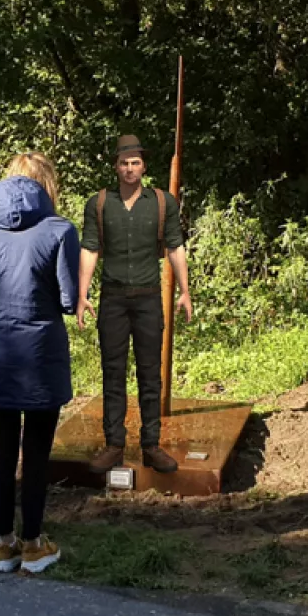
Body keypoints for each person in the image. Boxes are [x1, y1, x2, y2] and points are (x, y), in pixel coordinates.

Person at [0, 152, 80, 574]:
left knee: (2, 450)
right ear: (47, 184)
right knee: (37, 454)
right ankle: (34, 545)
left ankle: (3, 546)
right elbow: (67, 299)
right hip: (41, 357)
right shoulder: (60, 230)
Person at [77, 135, 192, 475]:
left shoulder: (161, 203)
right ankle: (114, 445)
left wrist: (186, 290)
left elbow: (175, 247)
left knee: (149, 374)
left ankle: (151, 446)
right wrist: (82, 294)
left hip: (147, 298)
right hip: (112, 298)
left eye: (135, 163)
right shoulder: (98, 204)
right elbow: (90, 249)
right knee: (112, 373)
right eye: (124, 163)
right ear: (116, 166)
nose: (130, 169)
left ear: (143, 166)